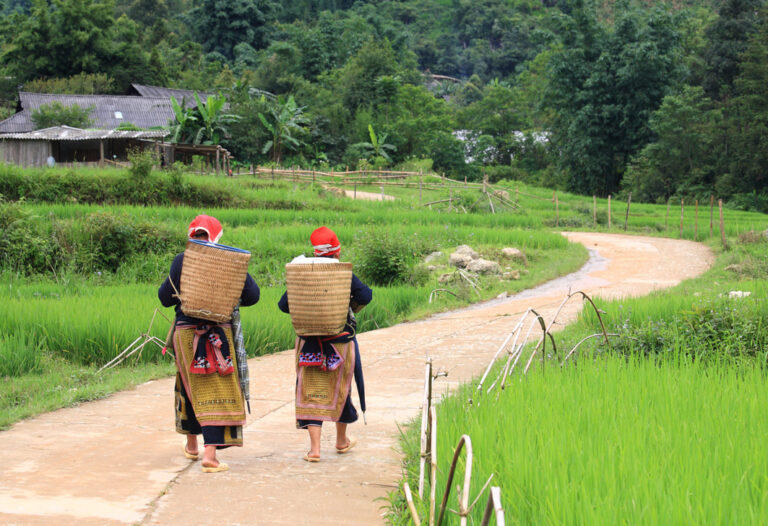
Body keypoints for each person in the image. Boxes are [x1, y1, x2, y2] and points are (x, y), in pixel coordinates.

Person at [158, 214, 260, 473]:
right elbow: (252, 295)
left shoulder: (182, 260)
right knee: (217, 390)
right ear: (216, 235)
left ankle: (192, 445)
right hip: (217, 336)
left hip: (184, 334)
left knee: (190, 385)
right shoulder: (229, 261)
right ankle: (210, 455)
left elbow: (165, 298)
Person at [278, 226, 372, 462]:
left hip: (309, 344)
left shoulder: (303, 272)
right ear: (336, 252)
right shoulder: (342, 273)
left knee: (310, 393)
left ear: (316, 252)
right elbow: (366, 295)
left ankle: (315, 450)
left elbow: (283, 305)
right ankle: (341, 441)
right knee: (341, 390)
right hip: (340, 342)